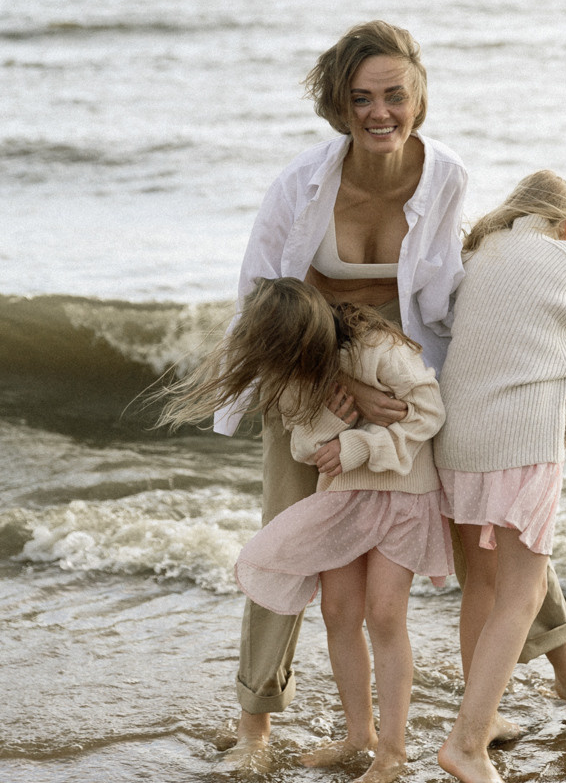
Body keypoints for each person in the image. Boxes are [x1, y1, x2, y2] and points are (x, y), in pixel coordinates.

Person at [212, 21, 566, 761]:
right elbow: (261, 298)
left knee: (493, 522)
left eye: (394, 94)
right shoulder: (300, 186)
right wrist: (337, 385)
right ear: (339, 106)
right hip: (310, 373)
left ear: (418, 94)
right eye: (360, 98)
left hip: (409, 373)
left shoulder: (445, 175)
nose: (379, 112)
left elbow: (453, 290)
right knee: (288, 533)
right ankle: (255, 725)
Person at [162, 276, 453, 783]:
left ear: (315, 337)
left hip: (404, 492)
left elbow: (430, 413)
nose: (296, 370)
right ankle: (358, 735)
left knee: (385, 615)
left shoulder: (379, 348)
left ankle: (393, 751)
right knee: (338, 611)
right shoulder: (295, 372)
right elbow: (302, 445)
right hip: (340, 498)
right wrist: (331, 431)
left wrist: (358, 447)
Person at [434, 171, 566, 783]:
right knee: (521, 591)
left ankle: (488, 717)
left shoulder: (478, 253)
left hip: (456, 435)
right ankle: (466, 744)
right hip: (523, 436)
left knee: (485, 584)